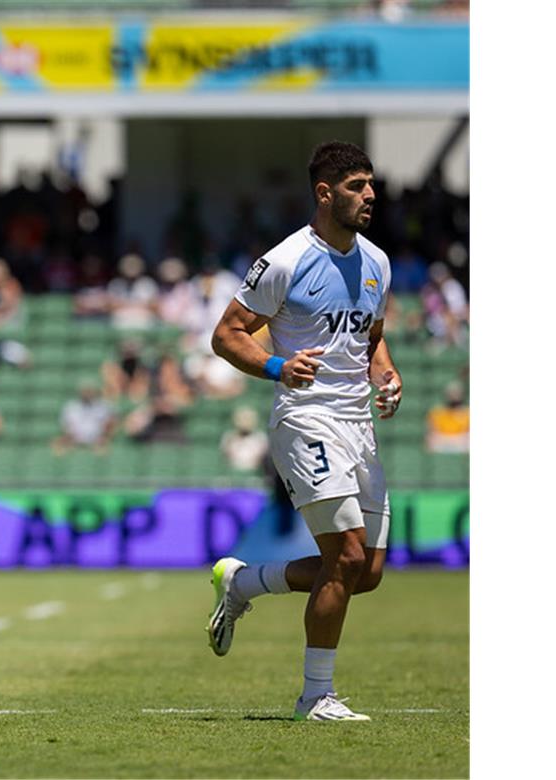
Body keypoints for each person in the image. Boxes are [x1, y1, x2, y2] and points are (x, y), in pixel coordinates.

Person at [207, 141, 403, 722]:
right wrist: (276, 365)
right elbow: (227, 334)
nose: (370, 196)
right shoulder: (286, 260)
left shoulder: (378, 262)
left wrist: (386, 372)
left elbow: (371, 337)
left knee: (365, 572)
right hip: (306, 418)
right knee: (342, 554)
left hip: (357, 425)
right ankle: (316, 696)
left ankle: (245, 583)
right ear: (325, 193)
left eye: (371, 185)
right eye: (356, 187)